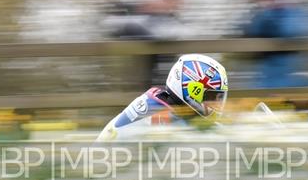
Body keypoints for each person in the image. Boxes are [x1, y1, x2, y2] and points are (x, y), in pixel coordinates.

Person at [96, 54, 228, 142]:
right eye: (210, 96)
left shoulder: (161, 102)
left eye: (218, 98)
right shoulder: (160, 114)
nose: (215, 104)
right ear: (191, 89)